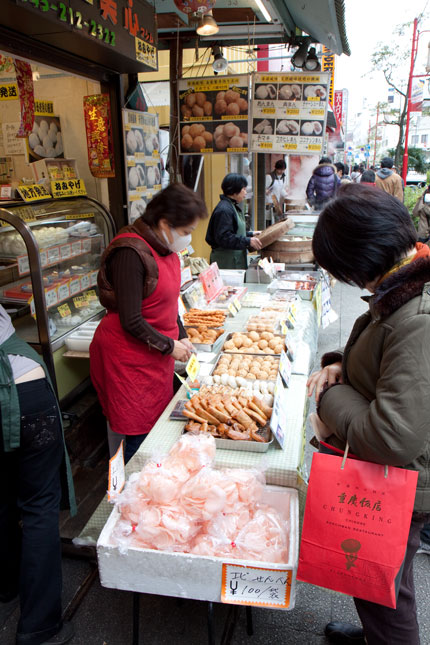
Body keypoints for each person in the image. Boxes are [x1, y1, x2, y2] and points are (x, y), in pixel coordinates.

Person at [307, 183, 430, 645]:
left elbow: (391, 436)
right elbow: (385, 357)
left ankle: (389, 637)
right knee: (377, 574)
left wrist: (326, 398)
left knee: (387, 589)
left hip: (404, 479)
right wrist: (341, 361)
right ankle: (375, 634)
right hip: (397, 476)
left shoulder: (416, 314)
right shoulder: (403, 285)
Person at [91, 184, 207, 463]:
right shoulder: (130, 253)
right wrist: (170, 347)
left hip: (155, 354)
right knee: (137, 434)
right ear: (165, 223)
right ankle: (132, 492)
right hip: (128, 357)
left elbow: (168, 302)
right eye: (186, 232)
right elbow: (132, 320)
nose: (188, 240)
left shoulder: (165, 248)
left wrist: (182, 334)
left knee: (156, 426)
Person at [0, 304, 75, 645]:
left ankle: (7, 584)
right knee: (39, 504)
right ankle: (39, 626)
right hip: (24, 387)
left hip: (14, 389)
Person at [205, 173, 262, 270]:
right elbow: (224, 237)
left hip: (235, 260)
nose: (245, 193)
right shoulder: (224, 210)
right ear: (234, 191)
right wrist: (248, 241)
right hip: (226, 263)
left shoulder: (231, 206)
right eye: (243, 189)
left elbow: (233, 231)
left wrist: (250, 234)